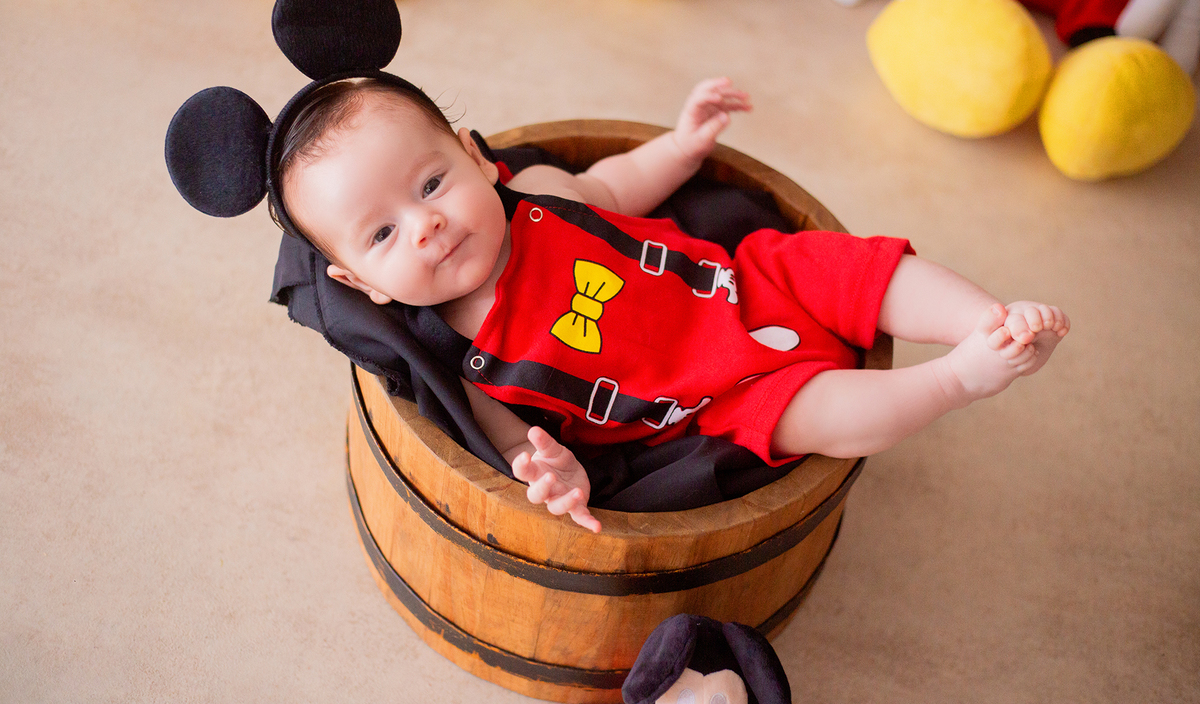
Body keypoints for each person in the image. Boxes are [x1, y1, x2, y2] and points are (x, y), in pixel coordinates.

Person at [275, 75, 1069, 534]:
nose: (428, 226)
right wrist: (555, 476)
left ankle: (988, 322)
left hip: (740, 279)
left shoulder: (542, 194)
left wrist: (682, 146)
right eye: (381, 234)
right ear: (362, 285)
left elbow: (615, 186)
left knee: (861, 268)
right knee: (829, 418)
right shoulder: (478, 368)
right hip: (717, 399)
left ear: (478, 158)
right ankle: (961, 380)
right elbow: (528, 451)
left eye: (432, 182)